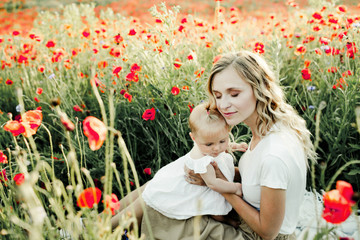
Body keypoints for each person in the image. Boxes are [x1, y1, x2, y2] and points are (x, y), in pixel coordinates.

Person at [140, 50, 317, 240]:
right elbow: (258, 180)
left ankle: (109, 230)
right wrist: (213, 174)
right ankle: (105, 220)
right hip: (244, 219)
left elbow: (268, 232)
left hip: (255, 235)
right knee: (165, 183)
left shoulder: (274, 154)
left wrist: (219, 186)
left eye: (234, 94)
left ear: (260, 89)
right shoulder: (269, 128)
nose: (223, 105)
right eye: (218, 95)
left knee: (158, 213)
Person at [111, 102, 248, 230]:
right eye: (209, 144)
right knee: (214, 207)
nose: (217, 148)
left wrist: (235, 146)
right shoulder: (203, 162)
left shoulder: (211, 144)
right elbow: (213, 184)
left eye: (222, 140)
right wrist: (235, 187)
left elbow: (221, 146)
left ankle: (105, 216)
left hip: (187, 174)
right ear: (194, 138)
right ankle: (223, 218)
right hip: (193, 185)